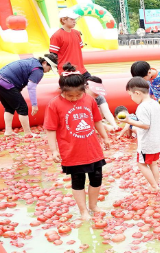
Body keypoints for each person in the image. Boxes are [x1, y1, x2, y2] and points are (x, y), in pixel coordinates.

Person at [44, 68, 111, 220]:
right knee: (78, 180)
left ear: (84, 89)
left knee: (96, 177)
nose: (74, 98)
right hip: (71, 150)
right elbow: (50, 129)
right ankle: (83, 211)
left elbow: (97, 121)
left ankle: (93, 206)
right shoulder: (54, 104)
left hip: (92, 148)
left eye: (78, 95)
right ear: (61, 90)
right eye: (69, 95)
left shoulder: (89, 100)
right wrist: (54, 150)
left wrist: (105, 137)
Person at [0, 52, 57, 137]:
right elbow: (31, 87)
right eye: (49, 68)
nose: (49, 71)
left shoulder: (33, 61)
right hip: (5, 82)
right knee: (22, 107)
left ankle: (8, 131)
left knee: (9, 106)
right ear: (44, 63)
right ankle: (28, 133)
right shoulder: (38, 70)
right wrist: (34, 105)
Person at [122, 77, 160, 190]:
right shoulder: (155, 103)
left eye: (130, 95)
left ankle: (154, 186)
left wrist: (129, 121)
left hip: (147, 143)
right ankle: (157, 183)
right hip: (157, 141)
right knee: (153, 163)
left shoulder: (142, 107)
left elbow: (146, 125)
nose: (131, 98)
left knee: (141, 164)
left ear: (137, 93)